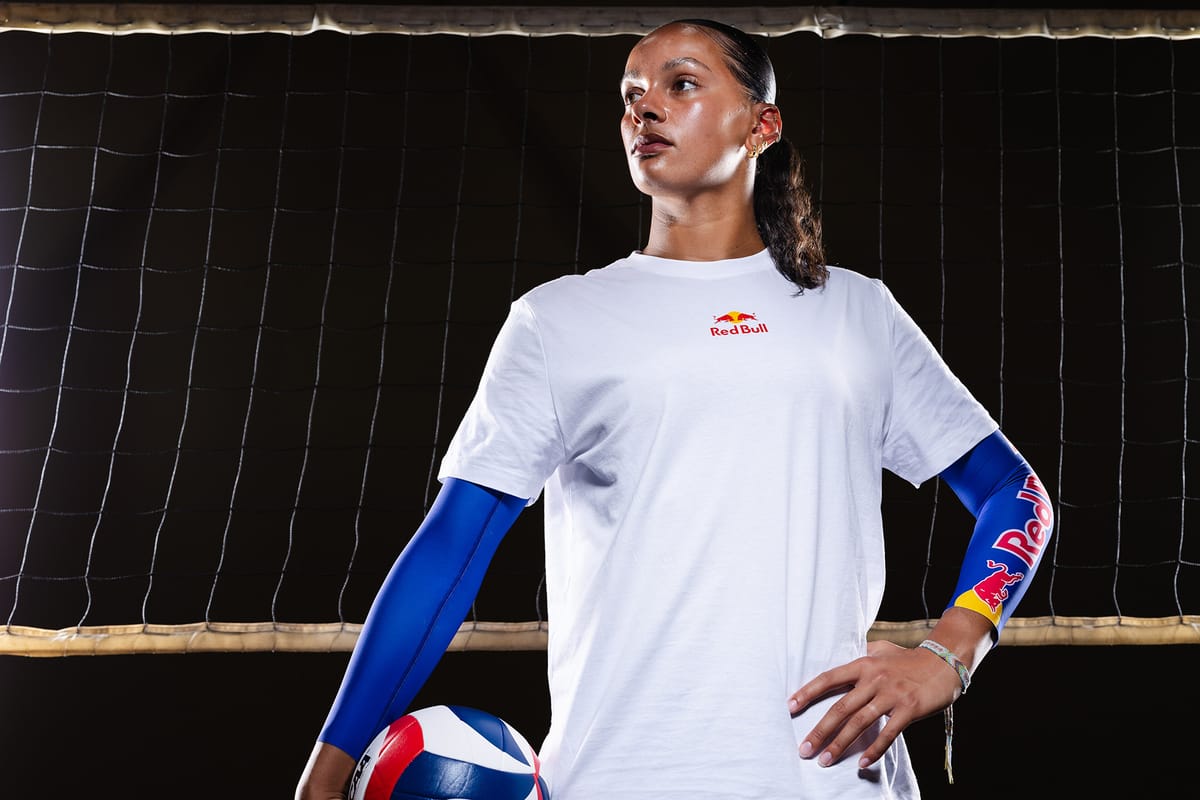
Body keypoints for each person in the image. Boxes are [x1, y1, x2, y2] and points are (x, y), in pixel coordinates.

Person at [296, 17, 1052, 799]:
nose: (644, 108)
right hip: (616, 780)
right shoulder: (558, 321)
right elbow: (451, 549)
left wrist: (950, 652)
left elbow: (1016, 493)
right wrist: (329, 766)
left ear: (762, 124)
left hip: (832, 783)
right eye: (631, 95)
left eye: (680, 84)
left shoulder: (856, 313)